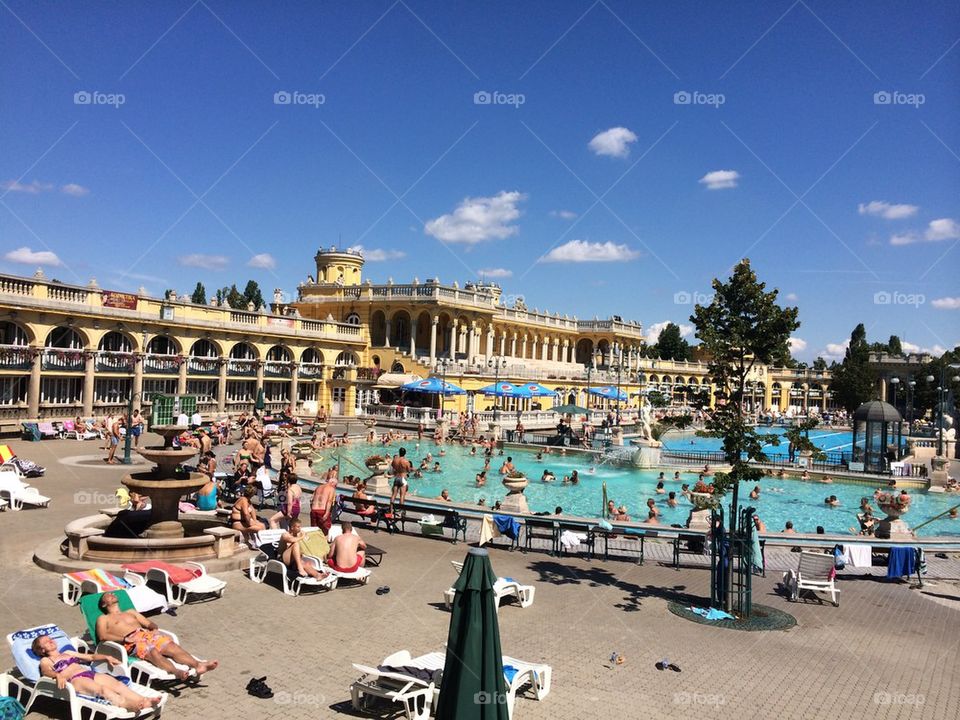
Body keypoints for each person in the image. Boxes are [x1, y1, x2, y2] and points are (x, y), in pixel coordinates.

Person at [95, 592, 218, 680]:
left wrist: (153, 629)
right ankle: (176, 672)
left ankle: (198, 665)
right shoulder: (103, 618)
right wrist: (124, 639)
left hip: (147, 634)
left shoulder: (131, 612)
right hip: (131, 641)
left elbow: (149, 623)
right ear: (104, 605)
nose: (111, 594)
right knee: (153, 652)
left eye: (112, 593)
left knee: (172, 646)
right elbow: (103, 636)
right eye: (107, 596)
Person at [32, 634, 160, 712]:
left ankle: (144, 700)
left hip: (88, 673)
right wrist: (57, 675)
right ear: (41, 649)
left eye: (50, 639)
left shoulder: (68, 653)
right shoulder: (46, 660)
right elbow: (45, 671)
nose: (51, 640)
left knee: (118, 685)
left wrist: (106, 657)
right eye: (46, 641)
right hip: (76, 680)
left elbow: (91, 657)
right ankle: (128, 705)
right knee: (103, 690)